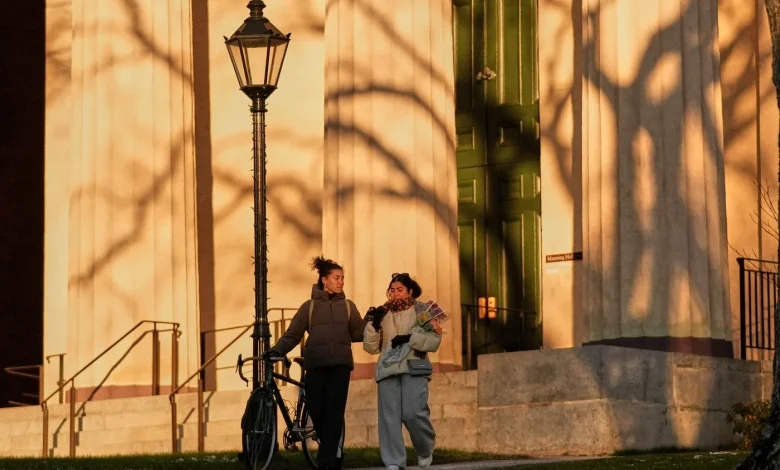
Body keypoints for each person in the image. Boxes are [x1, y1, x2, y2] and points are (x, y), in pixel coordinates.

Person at [266, 256, 367, 470]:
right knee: (317, 410)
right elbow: (292, 335)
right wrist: (276, 350)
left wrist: (371, 322)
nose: (341, 282)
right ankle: (332, 448)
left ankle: (326, 462)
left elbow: (358, 334)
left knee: (334, 412)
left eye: (342, 278)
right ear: (324, 280)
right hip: (315, 365)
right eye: (336, 277)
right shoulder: (308, 307)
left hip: (340, 366)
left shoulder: (348, 306)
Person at [363, 273, 442, 470]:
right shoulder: (383, 313)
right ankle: (393, 461)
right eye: (392, 290)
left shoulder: (422, 311)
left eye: (400, 290)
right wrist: (373, 326)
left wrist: (410, 338)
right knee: (389, 416)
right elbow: (371, 348)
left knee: (414, 413)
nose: (395, 294)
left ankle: (425, 449)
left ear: (410, 291)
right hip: (387, 369)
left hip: (414, 367)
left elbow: (434, 341)